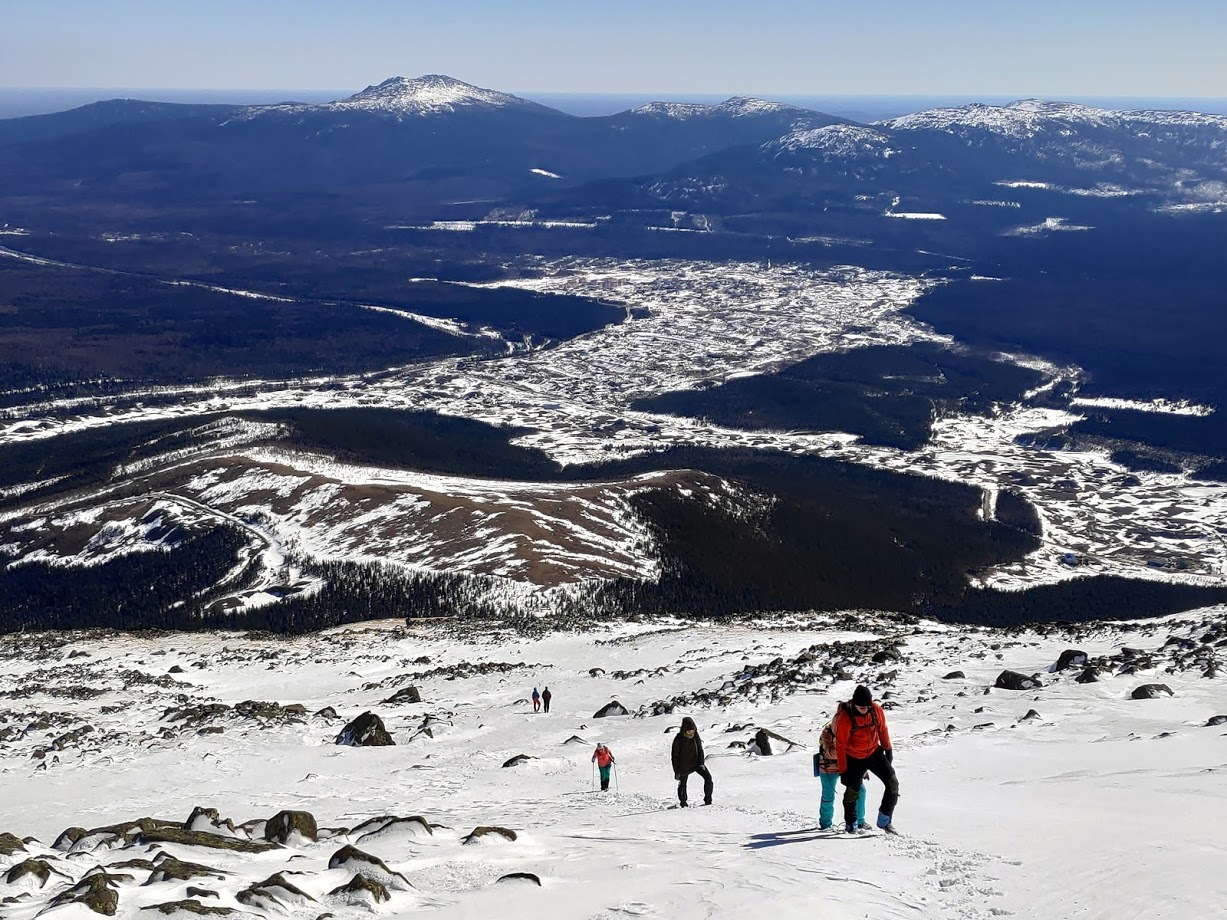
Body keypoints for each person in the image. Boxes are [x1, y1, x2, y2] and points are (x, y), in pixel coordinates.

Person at [833, 684, 899, 833]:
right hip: (854, 758)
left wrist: (888, 751)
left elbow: (882, 730)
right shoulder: (845, 717)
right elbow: (841, 745)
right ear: (854, 704)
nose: (865, 709)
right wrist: (844, 771)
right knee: (853, 791)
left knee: (893, 784)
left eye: (867, 707)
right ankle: (851, 824)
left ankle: (884, 821)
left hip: (874, 753)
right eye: (861, 707)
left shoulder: (875, 710)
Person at [817, 718, 868, 830]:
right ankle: (825, 824)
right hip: (827, 766)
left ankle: (859, 821)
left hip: (847, 765)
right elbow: (829, 752)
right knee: (828, 795)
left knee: (860, 791)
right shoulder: (827, 732)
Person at [670, 716, 713, 807]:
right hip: (684, 766)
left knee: (708, 778)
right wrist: (677, 771)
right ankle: (683, 803)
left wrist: (701, 763)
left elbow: (700, 749)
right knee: (683, 784)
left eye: (693, 731)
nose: (691, 733)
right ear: (684, 730)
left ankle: (708, 801)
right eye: (689, 732)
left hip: (696, 763)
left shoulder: (696, 735)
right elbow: (674, 757)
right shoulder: (678, 740)